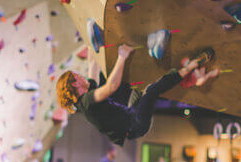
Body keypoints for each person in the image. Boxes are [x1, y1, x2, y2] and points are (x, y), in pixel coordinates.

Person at [56, 45, 215, 146]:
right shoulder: (88, 102)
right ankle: (191, 67)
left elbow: (93, 65)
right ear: (75, 84)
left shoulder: (86, 98)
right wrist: (122, 57)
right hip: (136, 125)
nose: (80, 76)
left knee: (141, 89)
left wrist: (91, 42)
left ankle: (192, 79)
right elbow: (111, 86)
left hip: (130, 111)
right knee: (152, 91)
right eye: (77, 76)